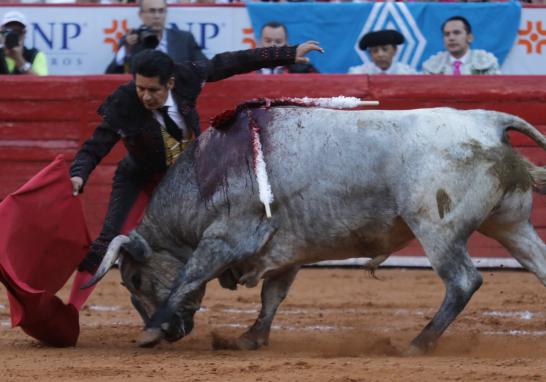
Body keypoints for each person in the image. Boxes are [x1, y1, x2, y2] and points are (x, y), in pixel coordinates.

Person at [71, 42, 323, 273]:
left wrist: (286, 54)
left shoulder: (186, 76)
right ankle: (71, 304)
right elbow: (95, 145)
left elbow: (233, 61)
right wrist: (78, 174)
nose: (145, 96)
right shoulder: (124, 102)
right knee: (105, 243)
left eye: (152, 90)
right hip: (138, 175)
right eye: (140, 88)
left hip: (185, 176)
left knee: (213, 231)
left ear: (170, 83)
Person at [105, 0, 207, 74]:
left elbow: (205, 66)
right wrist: (126, 50)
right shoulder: (130, 40)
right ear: (141, 14)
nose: (157, 16)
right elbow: (110, 75)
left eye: (161, 11)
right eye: (152, 11)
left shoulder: (185, 39)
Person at [422, 16, 501, 75]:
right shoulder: (432, 65)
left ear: (470, 37)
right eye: (447, 34)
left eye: (457, 33)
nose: (451, 38)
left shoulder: (487, 62)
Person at [348, 29, 416, 75]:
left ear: (395, 50)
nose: (380, 54)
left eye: (385, 49)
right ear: (370, 54)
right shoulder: (358, 73)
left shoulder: (408, 73)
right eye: (375, 51)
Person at [0, 11, 48, 76]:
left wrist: (19, 60)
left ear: (24, 34)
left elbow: (44, 84)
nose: (13, 36)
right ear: (1, 33)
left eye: (18, 32)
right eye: (8, 32)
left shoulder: (35, 55)